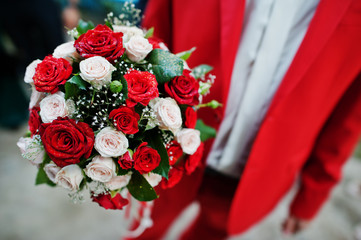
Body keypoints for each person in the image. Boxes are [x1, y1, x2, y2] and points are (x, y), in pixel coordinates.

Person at [126, 0, 361, 239]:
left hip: (257, 175)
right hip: (167, 148)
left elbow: (349, 114)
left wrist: (314, 193)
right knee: (142, 230)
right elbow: (157, 29)